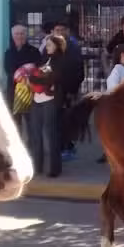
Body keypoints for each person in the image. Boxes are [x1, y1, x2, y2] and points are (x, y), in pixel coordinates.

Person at [27, 34, 67, 178]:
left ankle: (54, 168)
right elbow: (38, 75)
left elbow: (51, 79)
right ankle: (37, 166)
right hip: (37, 99)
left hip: (50, 100)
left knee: (50, 134)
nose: (47, 47)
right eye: (46, 44)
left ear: (57, 45)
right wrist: (35, 77)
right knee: (36, 134)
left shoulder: (61, 60)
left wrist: (33, 78)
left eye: (50, 44)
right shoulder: (45, 58)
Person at [51, 21, 84, 162]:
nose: (59, 32)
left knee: (68, 120)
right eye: (57, 30)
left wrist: (73, 90)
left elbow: (78, 70)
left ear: (67, 31)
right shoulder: (50, 45)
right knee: (56, 121)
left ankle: (68, 147)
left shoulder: (73, 47)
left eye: (62, 29)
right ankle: (59, 147)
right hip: (53, 92)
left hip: (69, 91)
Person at [4, 24, 41, 113]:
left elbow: (38, 68)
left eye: (22, 34)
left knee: (30, 118)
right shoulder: (8, 52)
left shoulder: (34, 51)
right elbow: (8, 69)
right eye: (17, 34)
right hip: (13, 88)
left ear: (26, 35)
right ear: (13, 36)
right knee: (14, 119)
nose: (19, 36)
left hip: (30, 89)